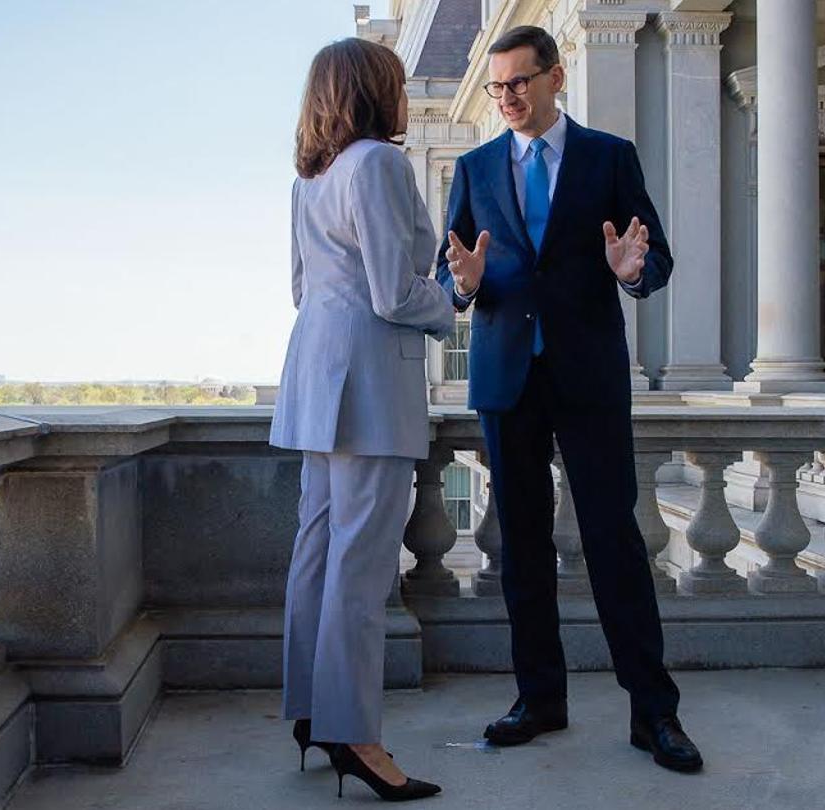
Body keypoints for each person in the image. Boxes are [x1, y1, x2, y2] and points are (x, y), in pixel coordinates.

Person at [434, 25, 702, 773]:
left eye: (520, 82)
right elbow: (450, 272)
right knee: (520, 546)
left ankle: (654, 713)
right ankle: (539, 698)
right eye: (497, 87)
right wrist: (463, 282)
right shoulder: (476, 165)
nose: (508, 98)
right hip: (506, 378)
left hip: (586, 376)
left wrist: (629, 271)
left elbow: (656, 261)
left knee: (615, 541)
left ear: (555, 79)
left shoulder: (609, 157)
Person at [269, 36, 454, 802]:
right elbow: (391, 293)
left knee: (318, 551)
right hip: (370, 385)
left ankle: (314, 713)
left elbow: (301, 290)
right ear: (375, 91)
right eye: (396, 82)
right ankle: (357, 736)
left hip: (315, 377)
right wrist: (454, 297)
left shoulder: (307, 181)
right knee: (362, 567)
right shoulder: (377, 163)